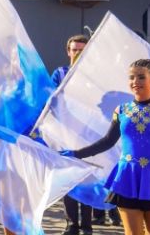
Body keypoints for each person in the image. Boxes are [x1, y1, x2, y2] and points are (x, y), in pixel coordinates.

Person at [62, 59, 150, 235]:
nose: (135, 82)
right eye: (132, 77)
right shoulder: (121, 110)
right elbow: (107, 141)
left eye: (141, 77)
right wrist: (77, 154)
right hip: (127, 178)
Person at [52, 34, 93, 235]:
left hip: (89, 136)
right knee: (68, 179)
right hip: (65, 134)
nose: (78, 53)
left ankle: (87, 225)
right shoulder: (59, 73)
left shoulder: (95, 76)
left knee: (87, 179)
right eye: (75, 49)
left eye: (82, 50)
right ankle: (71, 224)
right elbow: (49, 101)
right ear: (68, 52)